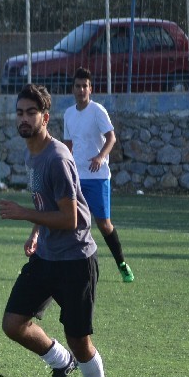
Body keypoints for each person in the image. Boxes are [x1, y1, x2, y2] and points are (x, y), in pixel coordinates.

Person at [0, 83, 113, 377]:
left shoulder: (57, 158)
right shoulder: (31, 153)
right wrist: (35, 232)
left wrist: (24, 215)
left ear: (45, 118)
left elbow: (70, 218)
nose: (24, 118)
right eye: (20, 113)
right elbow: (44, 204)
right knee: (13, 323)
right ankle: (61, 362)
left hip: (75, 261)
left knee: (79, 339)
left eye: (31, 113)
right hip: (47, 256)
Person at [62, 67, 133, 282]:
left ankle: (121, 264)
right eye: (78, 86)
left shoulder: (97, 111)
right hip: (76, 178)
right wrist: (65, 167)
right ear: (73, 89)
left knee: (103, 224)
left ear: (90, 89)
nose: (81, 89)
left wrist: (101, 157)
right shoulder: (68, 114)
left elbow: (111, 137)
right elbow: (68, 144)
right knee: (72, 223)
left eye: (85, 86)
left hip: (97, 178)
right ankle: (70, 268)